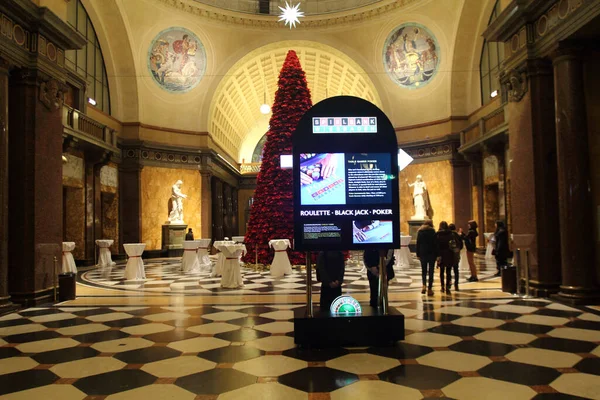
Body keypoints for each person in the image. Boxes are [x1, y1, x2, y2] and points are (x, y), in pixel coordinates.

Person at [416, 220, 437, 296]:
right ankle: (430, 289)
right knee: (431, 271)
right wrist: (437, 254)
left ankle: (424, 285)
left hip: (423, 253)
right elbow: (435, 244)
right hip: (432, 253)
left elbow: (418, 243)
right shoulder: (433, 232)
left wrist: (418, 254)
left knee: (424, 271)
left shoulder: (420, 232)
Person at [436, 221, 456, 295]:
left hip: (441, 254)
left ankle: (442, 286)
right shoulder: (451, 234)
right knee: (448, 271)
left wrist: (437, 255)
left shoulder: (438, 234)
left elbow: (436, 245)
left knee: (441, 271)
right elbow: (453, 244)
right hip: (449, 253)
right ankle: (448, 285)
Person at [448, 224, 463, 291]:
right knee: (456, 269)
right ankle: (456, 283)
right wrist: (458, 250)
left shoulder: (448, 235)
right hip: (456, 253)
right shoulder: (457, 235)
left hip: (449, 253)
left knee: (448, 269)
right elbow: (461, 244)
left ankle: (449, 282)